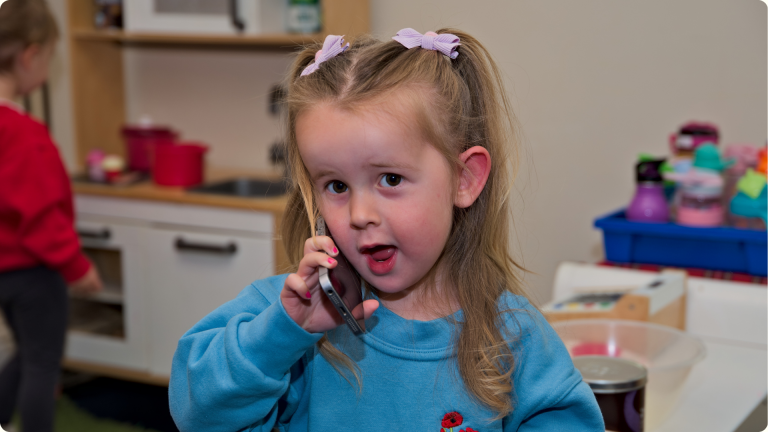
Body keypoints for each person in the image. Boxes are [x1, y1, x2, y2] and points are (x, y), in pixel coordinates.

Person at [169, 28, 604, 431]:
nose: (359, 214)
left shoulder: (514, 336)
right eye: (336, 185)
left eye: (390, 179)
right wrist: (280, 335)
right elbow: (196, 413)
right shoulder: (289, 316)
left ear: (465, 179)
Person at [0, 0, 103, 430]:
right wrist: (77, 269)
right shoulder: (24, 134)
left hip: (4, 272)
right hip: (35, 273)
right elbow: (40, 218)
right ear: (30, 55)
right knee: (43, 365)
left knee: (26, 353)